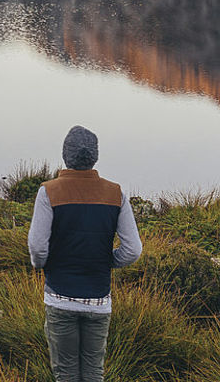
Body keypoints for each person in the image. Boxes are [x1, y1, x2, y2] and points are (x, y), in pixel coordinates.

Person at [27, 125, 142, 381]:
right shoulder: (116, 193)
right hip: (99, 300)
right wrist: (108, 261)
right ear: (95, 156)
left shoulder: (48, 191)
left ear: (65, 155)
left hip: (60, 297)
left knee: (66, 373)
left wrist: (42, 265)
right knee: (93, 372)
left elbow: (37, 247)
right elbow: (133, 250)